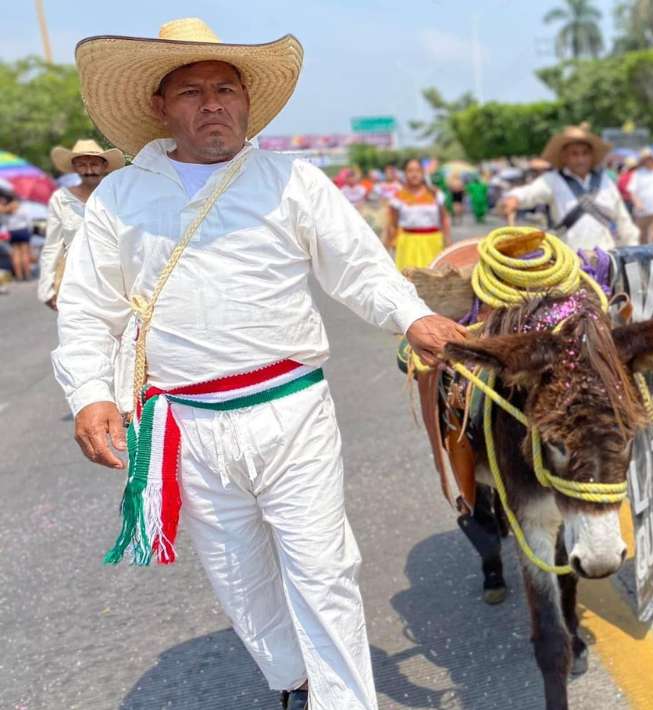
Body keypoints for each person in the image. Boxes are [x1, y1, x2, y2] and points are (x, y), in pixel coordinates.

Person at [55, 19, 466, 709]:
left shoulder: (292, 181)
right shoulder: (122, 198)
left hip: (292, 409)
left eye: (225, 87)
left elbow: (361, 270)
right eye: (192, 91)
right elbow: (88, 308)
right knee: (238, 576)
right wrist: (91, 393)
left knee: (324, 568)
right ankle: (291, 680)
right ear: (161, 107)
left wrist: (412, 315)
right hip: (187, 422)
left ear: (247, 102)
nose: (211, 103)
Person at [500, 125, 638, 250]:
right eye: (574, 154)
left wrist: (633, 249)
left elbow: (623, 218)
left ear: (592, 156)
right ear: (564, 157)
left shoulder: (605, 181)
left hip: (605, 259)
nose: (580, 159)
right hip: (569, 260)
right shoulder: (553, 180)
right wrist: (514, 198)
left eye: (585, 153)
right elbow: (528, 193)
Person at [38, 139, 124, 309]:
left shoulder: (118, 196)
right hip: (74, 279)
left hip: (114, 280)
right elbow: (52, 244)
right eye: (82, 165)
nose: (89, 170)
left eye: (94, 164)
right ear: (75, 168)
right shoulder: (61, 199)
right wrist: (46, 287)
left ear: (104, 166)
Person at [384, 158, 450, 271]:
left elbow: (444, 219)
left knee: (433, 280)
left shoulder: (435, 194)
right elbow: (392, 224)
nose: (414, 174)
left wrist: (448, 242)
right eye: (410, 171)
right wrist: (388, 244)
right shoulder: (398, 197)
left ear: (423, 173)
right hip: (407, 245)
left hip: (433, 243)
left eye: (417, 170)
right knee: (409, 282)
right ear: (405, 174)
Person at [0, 182, 35, 282]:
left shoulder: (2, 210)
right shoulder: (19, 206)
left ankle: (19, 276)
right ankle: (27, 275)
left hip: (12, 231)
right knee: (25, 254)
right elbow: (28, 219)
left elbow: (3, 223)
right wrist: (30, 231)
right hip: (23, 230)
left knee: (15, 254)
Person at [629, 150, 653, 244]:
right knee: (641, 238)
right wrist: (637, 203)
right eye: (647, 159)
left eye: (651, 159)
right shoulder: (637, 174)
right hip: (641, 212)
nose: (650, 161)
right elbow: (632, 191)